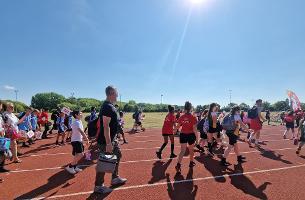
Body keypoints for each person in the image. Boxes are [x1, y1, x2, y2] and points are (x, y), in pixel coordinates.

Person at [94, 86, 127, 194]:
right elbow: (106, 125)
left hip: (112, 139)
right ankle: (98, 186)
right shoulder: (107, 107)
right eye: (116, 93)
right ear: (111, 93)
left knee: (118, 155)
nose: (117, 95)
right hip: (105, 141)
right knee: (104, 162)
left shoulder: (111, 106)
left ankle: (115, 178)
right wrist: (108, 143)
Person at [175, 101, 198, 174]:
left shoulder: (182, 116)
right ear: (191, 108)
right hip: (190, 135)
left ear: (184, 108)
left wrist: (174, 131)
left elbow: (178, 127)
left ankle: (178, 164)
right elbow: (195, 129)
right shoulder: (193, 117)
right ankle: (191, 162)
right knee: (191, 150)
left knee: (182, 151)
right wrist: (197, 139)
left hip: (183, 135)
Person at [0, 100, 9, 176]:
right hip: (1, 136)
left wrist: (5, 127)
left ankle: (1, 167)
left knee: (4, 153)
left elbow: (2, 125)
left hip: (2, 136)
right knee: (3, 154)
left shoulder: (1, 115)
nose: (1, 107)